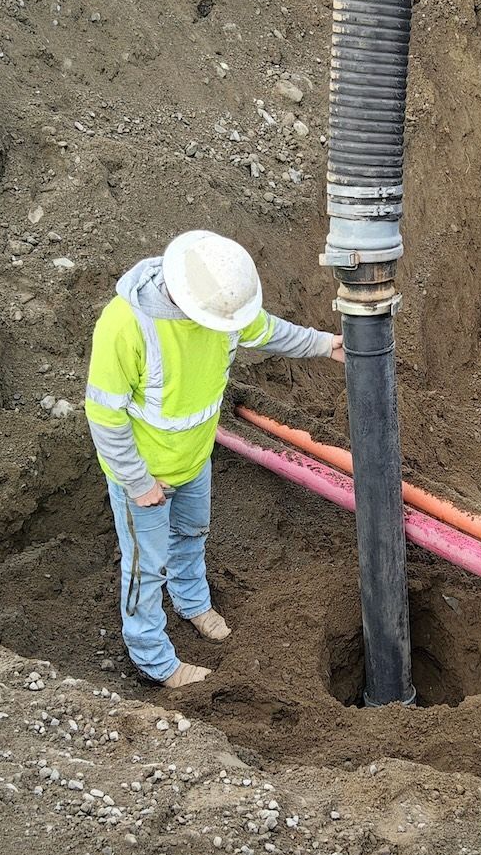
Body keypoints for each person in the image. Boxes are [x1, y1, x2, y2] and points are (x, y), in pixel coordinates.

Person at [85, 230, 343, 688]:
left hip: (194, 459)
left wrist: (325, 344)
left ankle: (192, 602)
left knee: (193, 533)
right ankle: (154, 660)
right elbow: (104, 416)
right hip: (144, 477)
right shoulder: (126, 324)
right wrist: (139, 482)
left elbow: (268, 331)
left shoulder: (219, 309)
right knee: (145, 570)